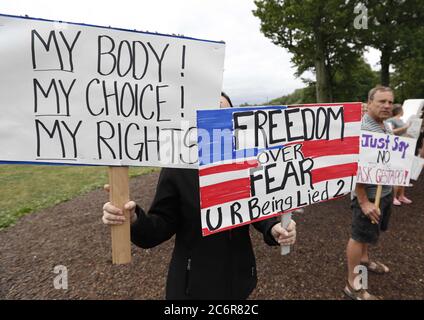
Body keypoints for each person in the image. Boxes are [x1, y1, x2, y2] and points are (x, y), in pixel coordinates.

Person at [102, 92, 297, 300]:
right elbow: (159, 226)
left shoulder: (245, 161)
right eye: (212, 112)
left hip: (239, 281)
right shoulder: (179, 166)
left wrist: (272, 227)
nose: (219, 118)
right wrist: (134, 220)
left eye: (225, 112)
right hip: (193, 286)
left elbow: (255, 206)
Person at [344, 86, 394, 300]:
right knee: (358, 236)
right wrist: (363, 201)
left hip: (383, 192)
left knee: (368, 235)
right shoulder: (363, 129)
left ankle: (364, 260)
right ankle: (353, 286)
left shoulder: (385, 126)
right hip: (368, 195)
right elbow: (353, 167)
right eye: (382, 101)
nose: (387, 106)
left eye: (390, 102)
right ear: (369, 102)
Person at [385, 104, 412, 205]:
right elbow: (391, 132)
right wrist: (405, 127)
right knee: (397, 171)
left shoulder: (401, 120)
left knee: (404, 172)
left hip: (405, 148)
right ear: (400, 110)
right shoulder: (391, 120)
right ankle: (393, 197)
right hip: (396, 148)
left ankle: (401, 196)